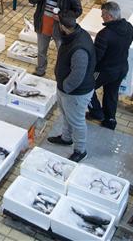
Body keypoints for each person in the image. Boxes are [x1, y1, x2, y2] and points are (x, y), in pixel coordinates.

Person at [47, 13, 96, 162]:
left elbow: (77, 76)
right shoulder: (74, 35)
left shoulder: (79, 47)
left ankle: (80, 150)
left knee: (77, 121)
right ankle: (66, 138)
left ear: (62, 26)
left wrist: (66, 87)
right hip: (66, 90)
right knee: (66, 115)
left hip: (75, 93)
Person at [86, 2, 133, 130]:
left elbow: (97, 57)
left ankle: (96, 112)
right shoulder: (129, 27)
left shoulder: (105, 34)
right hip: (122, 68)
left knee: (87, 86)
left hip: (105, 71)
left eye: (103, 15)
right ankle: (110, 120)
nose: (102, 17)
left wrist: (89, 70)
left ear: (109, 16)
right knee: (111, 93)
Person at [28, 0, 82, 76]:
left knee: (62, 52)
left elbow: (78, 11)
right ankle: (40, 70)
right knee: (41, 50)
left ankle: (61, 73)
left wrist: (61, 17)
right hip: (43, 24)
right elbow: (31, 0)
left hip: (60, 28)